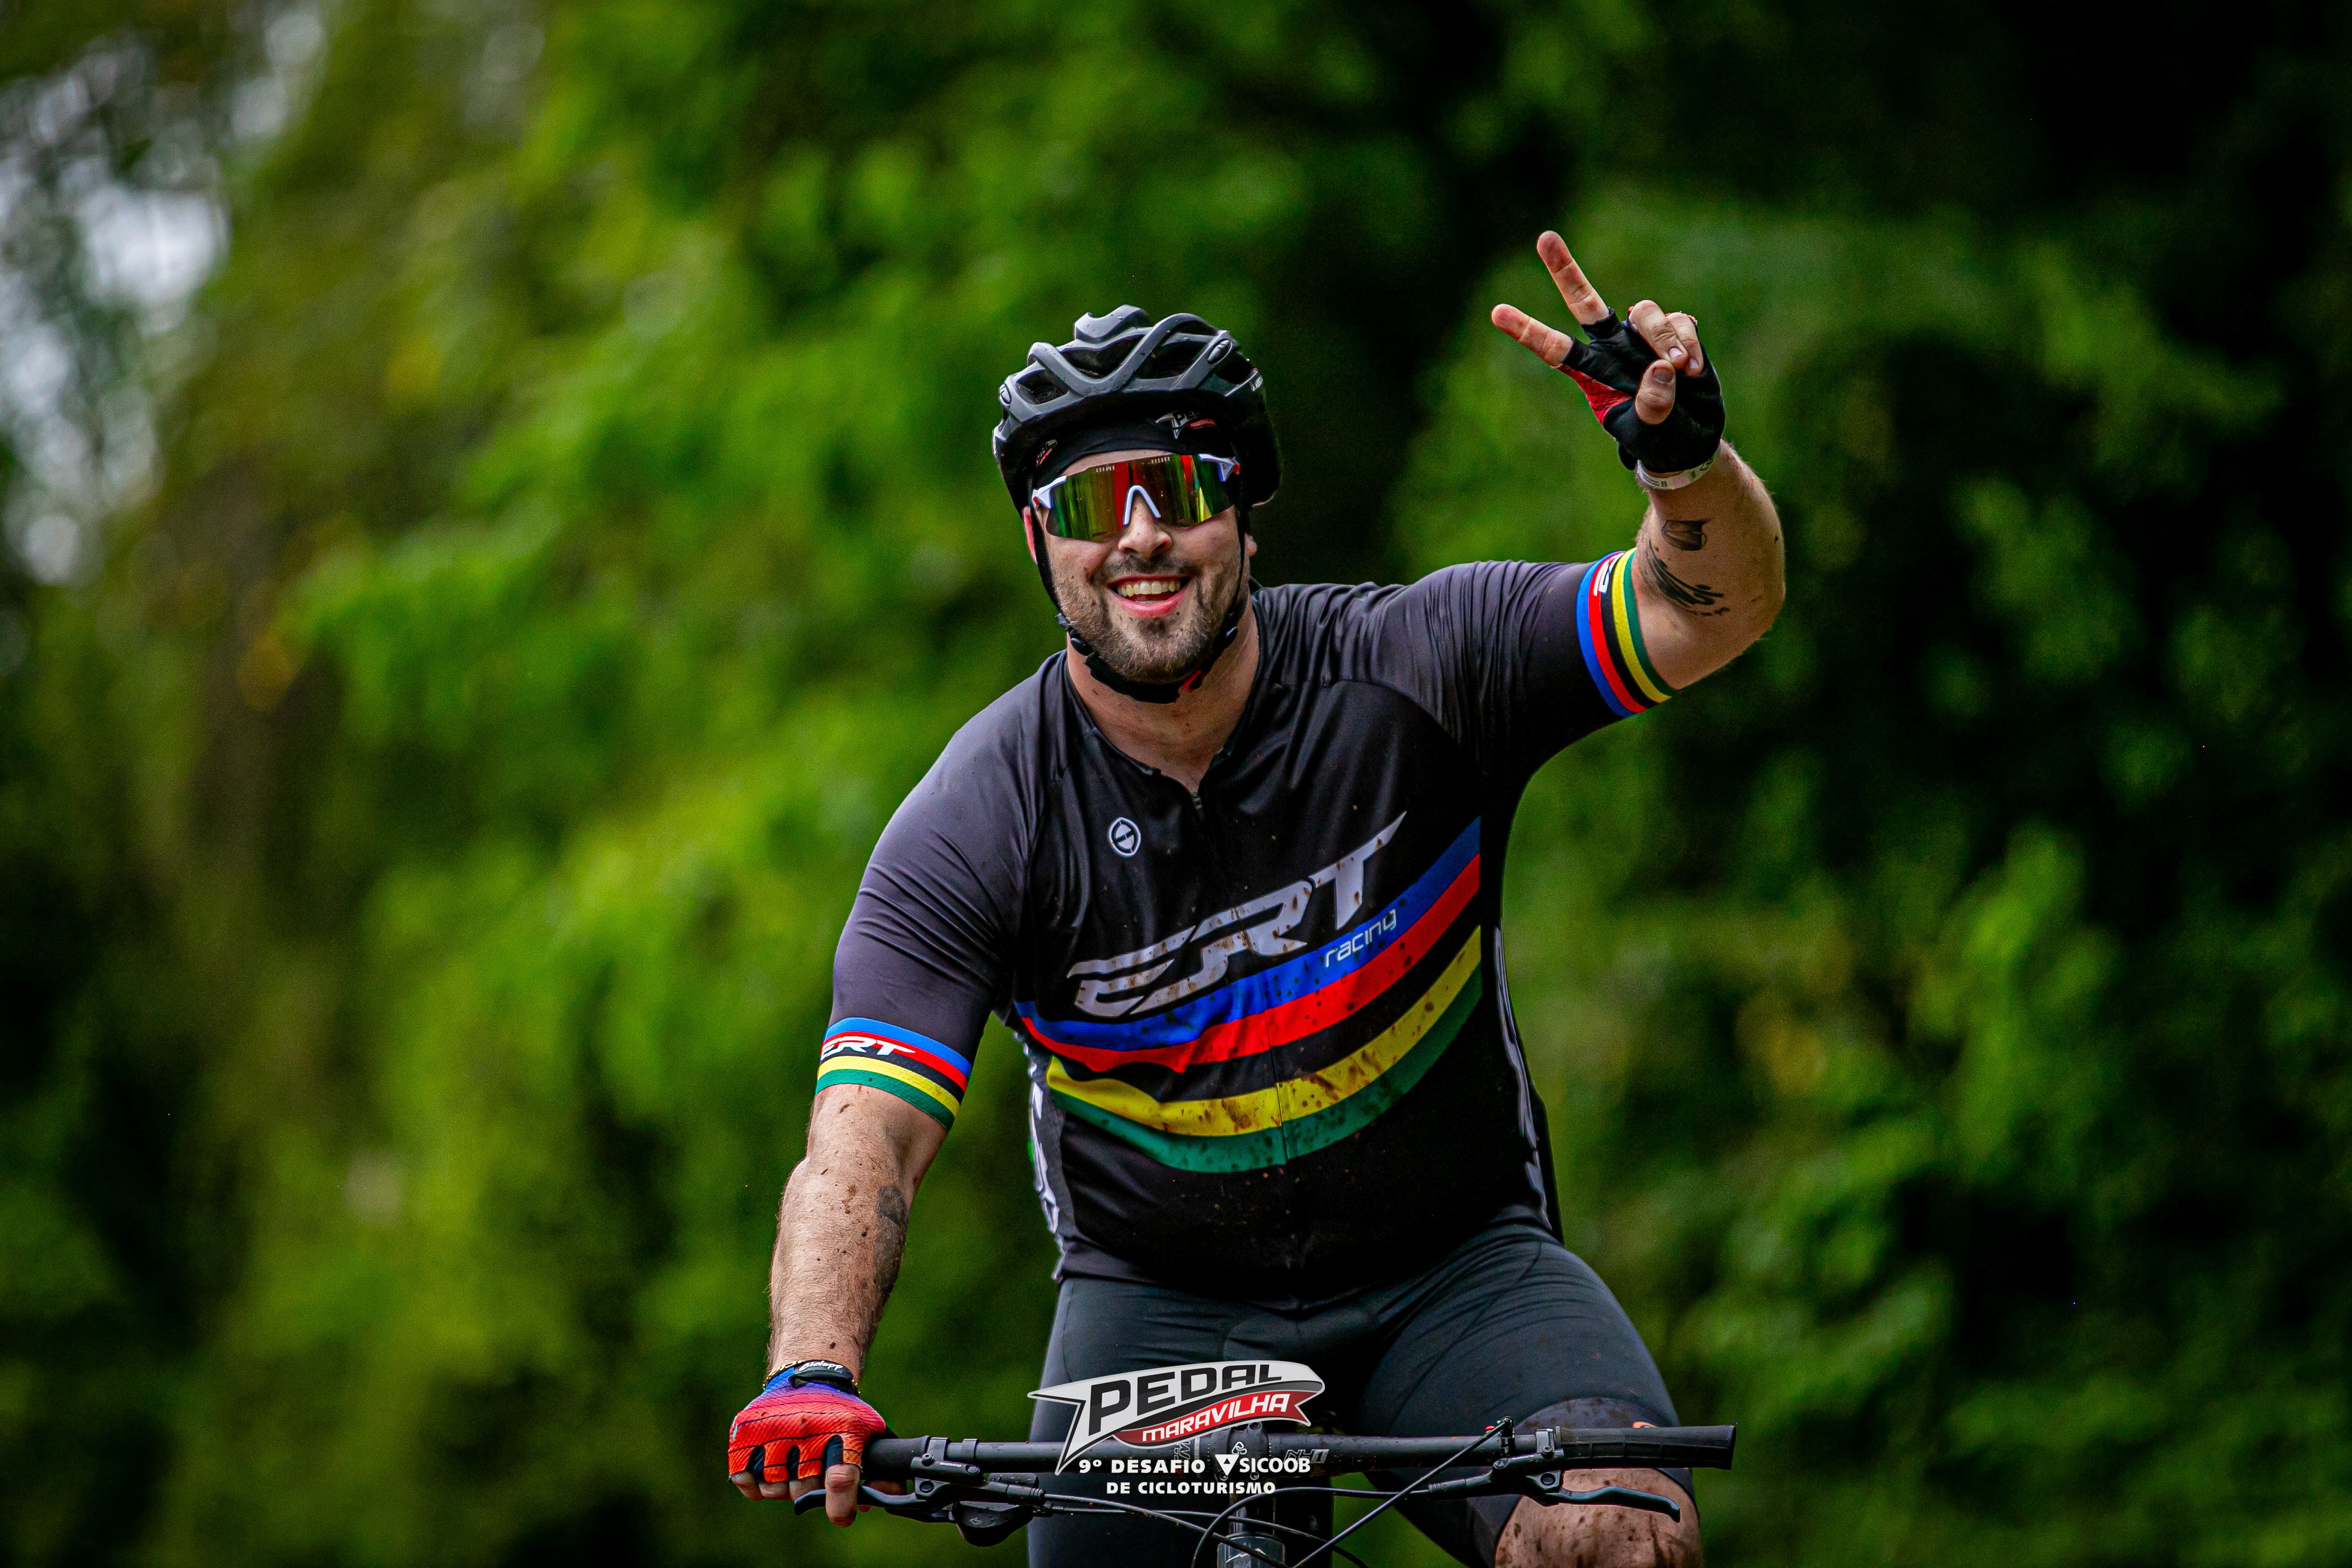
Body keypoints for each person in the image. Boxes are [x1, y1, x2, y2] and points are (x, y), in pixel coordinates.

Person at [726, 230, 1784, 1568]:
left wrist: (1684, 466)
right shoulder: (977, 821)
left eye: (1178, 487)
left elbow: (1714, 610)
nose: (1141, 536)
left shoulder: (1422, 669)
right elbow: (862, 1142)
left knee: (1619, 1536)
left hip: (1457, 1270)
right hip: (1161, 1314)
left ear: (1243, 511)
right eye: (1091, 502)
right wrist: (814, 1368)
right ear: (1039, 539)